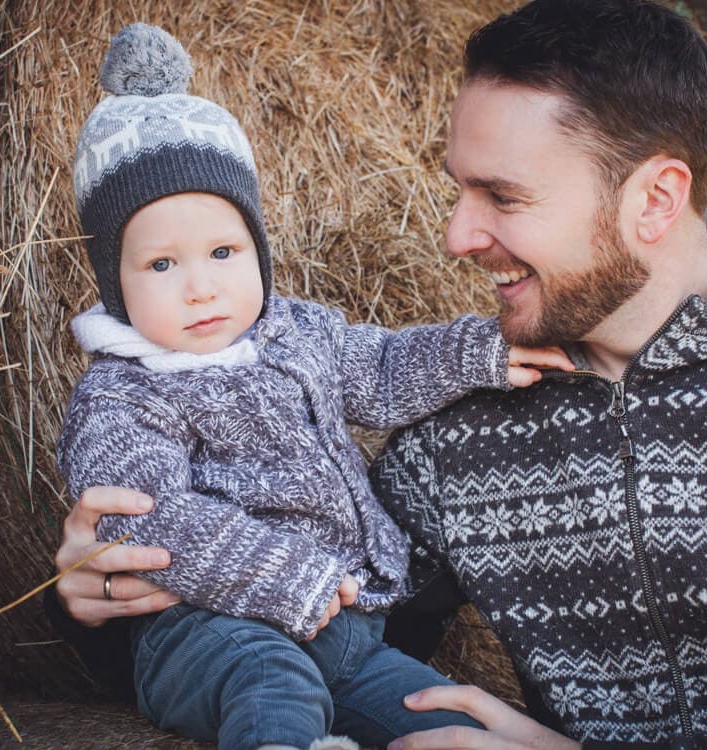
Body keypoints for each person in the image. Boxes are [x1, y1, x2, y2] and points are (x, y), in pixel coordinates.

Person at [52, 1, 707, 748]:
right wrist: (106, 607)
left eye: (502, 197)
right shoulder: (454, 439)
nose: (454, 236)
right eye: (457, 191)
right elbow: (317, 646)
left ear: (655, 198)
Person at [56, 23, 573, 750]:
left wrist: (480, 350)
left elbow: (385, 370)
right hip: (212, 635)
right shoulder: (121, 395)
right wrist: (280, 575)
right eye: (161, 266)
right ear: (114, 284)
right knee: (272, 686)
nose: (200, 287)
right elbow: (144, 516)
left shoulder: (298, 333)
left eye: (223, 251)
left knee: (438, 713)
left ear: (258, 251)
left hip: (348, 631)